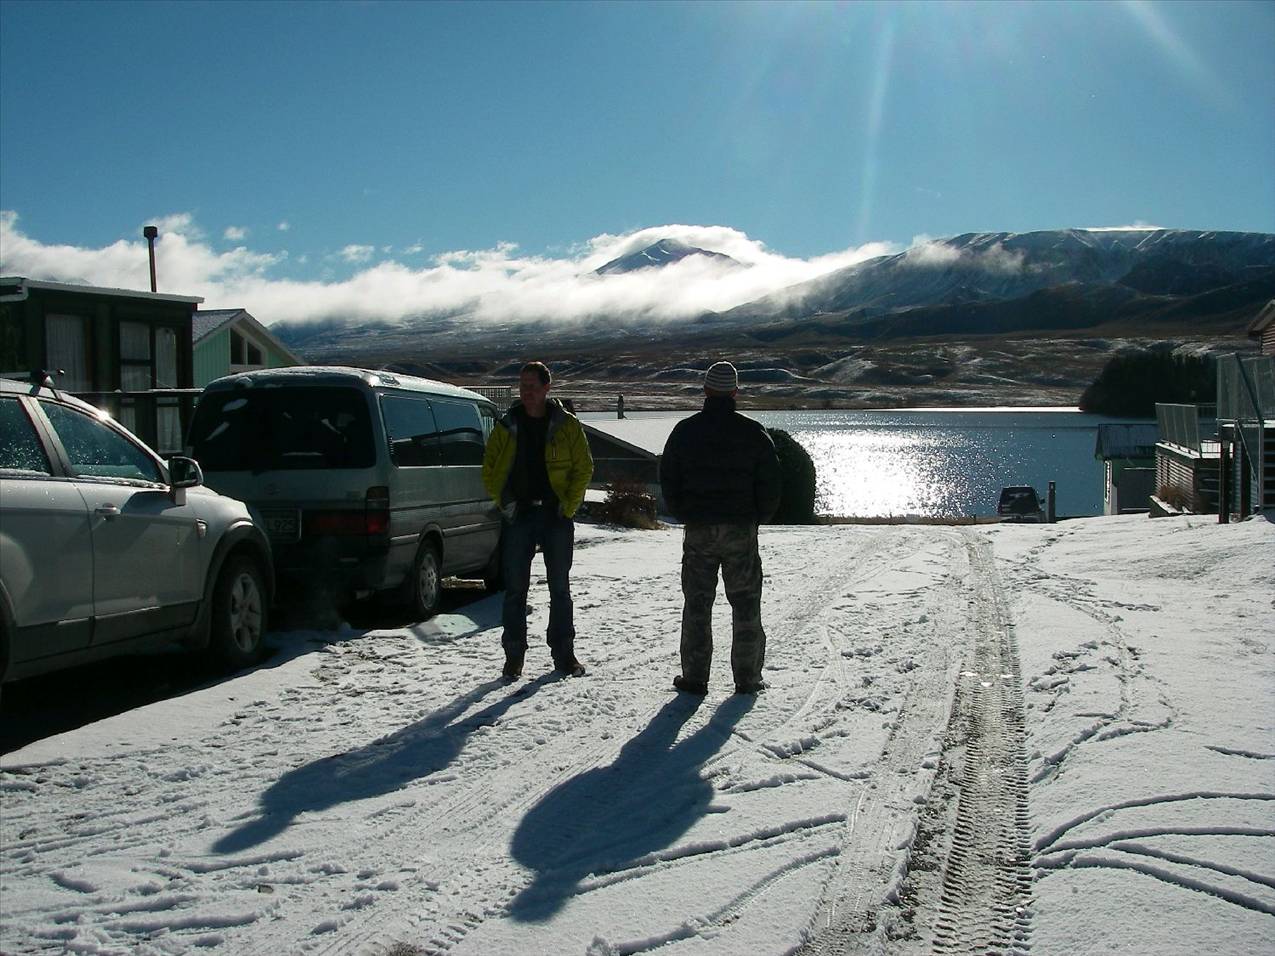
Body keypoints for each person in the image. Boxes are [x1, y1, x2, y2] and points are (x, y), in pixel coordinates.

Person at [660, 361, 782, 696]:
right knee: (745, 604)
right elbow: (771, 484)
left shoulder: (685, 431)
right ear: (735, 392)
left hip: (699, 529)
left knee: (697, 603)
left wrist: (684, 511)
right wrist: (758, 517)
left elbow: (668, 478)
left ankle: (695, 678)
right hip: (740, 530)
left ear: (705, 390)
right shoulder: (754, 433)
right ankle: (747, 678)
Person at [482, 361, 594, 680]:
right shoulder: (507, 425)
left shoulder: (567, 425)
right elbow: (489, 469)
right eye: (522, 385)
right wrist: (506, 504)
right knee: (515, 590)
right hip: (519, 515)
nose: (526, 392)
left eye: (532, 386)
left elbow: (583, 467)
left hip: (555, 515)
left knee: (560, 588)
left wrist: (568, 506)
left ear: (547, 388)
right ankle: (514, 656)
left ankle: (564, 654)